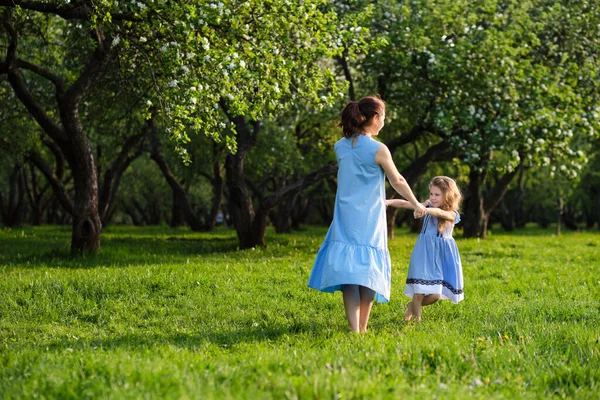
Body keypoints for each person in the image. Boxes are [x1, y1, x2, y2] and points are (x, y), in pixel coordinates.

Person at [308, 96, 426, 333]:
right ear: (374, 118)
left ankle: (354, 329)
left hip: (344, 215)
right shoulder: (378, 149)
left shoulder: (340, 146)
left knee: (350, 274)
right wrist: (416, 204)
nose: (384, 121)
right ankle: (363, 327)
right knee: (368, 272)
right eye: (383, 116)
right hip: (369, 218)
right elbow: (398, 180)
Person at [386, 176, 464, 322]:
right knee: (419, 291)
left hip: (441, 256)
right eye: (431, 194)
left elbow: (441, 214)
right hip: (424, 253)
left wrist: (426, 210)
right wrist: (388, 202)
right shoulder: (426, 206)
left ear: (447, 196)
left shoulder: (453, 214)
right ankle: (417, 321)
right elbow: (405, 203)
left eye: (437, 195)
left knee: (434, 295)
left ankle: (412, 306)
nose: (433, 198)